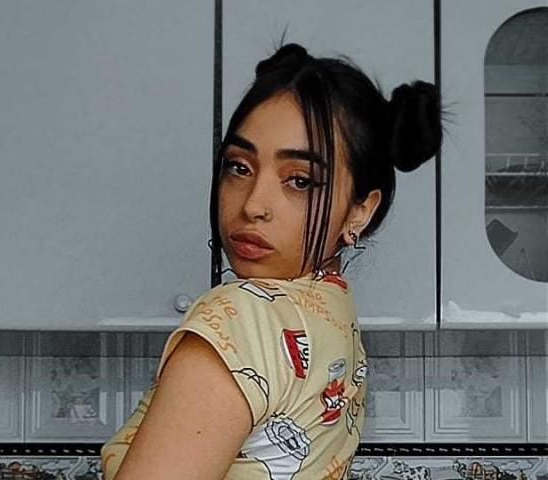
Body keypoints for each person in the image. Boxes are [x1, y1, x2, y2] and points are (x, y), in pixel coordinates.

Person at [101, 41, 446, 479]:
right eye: (239, 167)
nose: (252, 205)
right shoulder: (335, 322)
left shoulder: (242, 318)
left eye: (299, 181)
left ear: (360, 210)